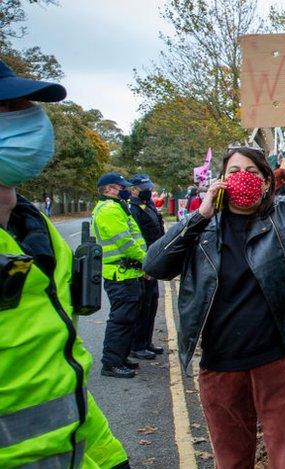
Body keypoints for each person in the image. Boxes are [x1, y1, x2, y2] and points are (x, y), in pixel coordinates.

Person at [143, 122, 285, 469]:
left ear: (267, 181)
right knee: (232, 460)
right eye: (234, 171)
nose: (243, 177)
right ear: (220, 179)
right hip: (221, 366)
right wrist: (199, 215)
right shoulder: (202, 229)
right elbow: (155, 265)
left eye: (252, 171)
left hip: (280, 361)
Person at [0, 60, 129, 467]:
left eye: (27, 107)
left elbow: (61, 371)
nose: (30, 120)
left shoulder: (35, 229)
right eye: (9, 109)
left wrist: (108, 458)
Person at [92, 171, 149, 377]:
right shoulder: (109, 209)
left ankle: (121, 357)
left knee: (128, 319)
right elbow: (126, 243)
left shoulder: (117, 207)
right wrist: (148, 262)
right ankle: (111, 363)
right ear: (108, 189)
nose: (124, 190)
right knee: (121, 320)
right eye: (120, 187)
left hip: (127, 271)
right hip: (119, 273)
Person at [128, 174, 166, 358]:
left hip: (154, 259)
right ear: (134, 190)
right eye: (145, 188)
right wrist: (144, 265)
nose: (149, 191)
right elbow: (137, 239)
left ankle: (146, 341)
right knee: (142, 306)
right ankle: (137, 345)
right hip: (142, 263)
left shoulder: (148, 206)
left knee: (152, 304)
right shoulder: (132, 209)